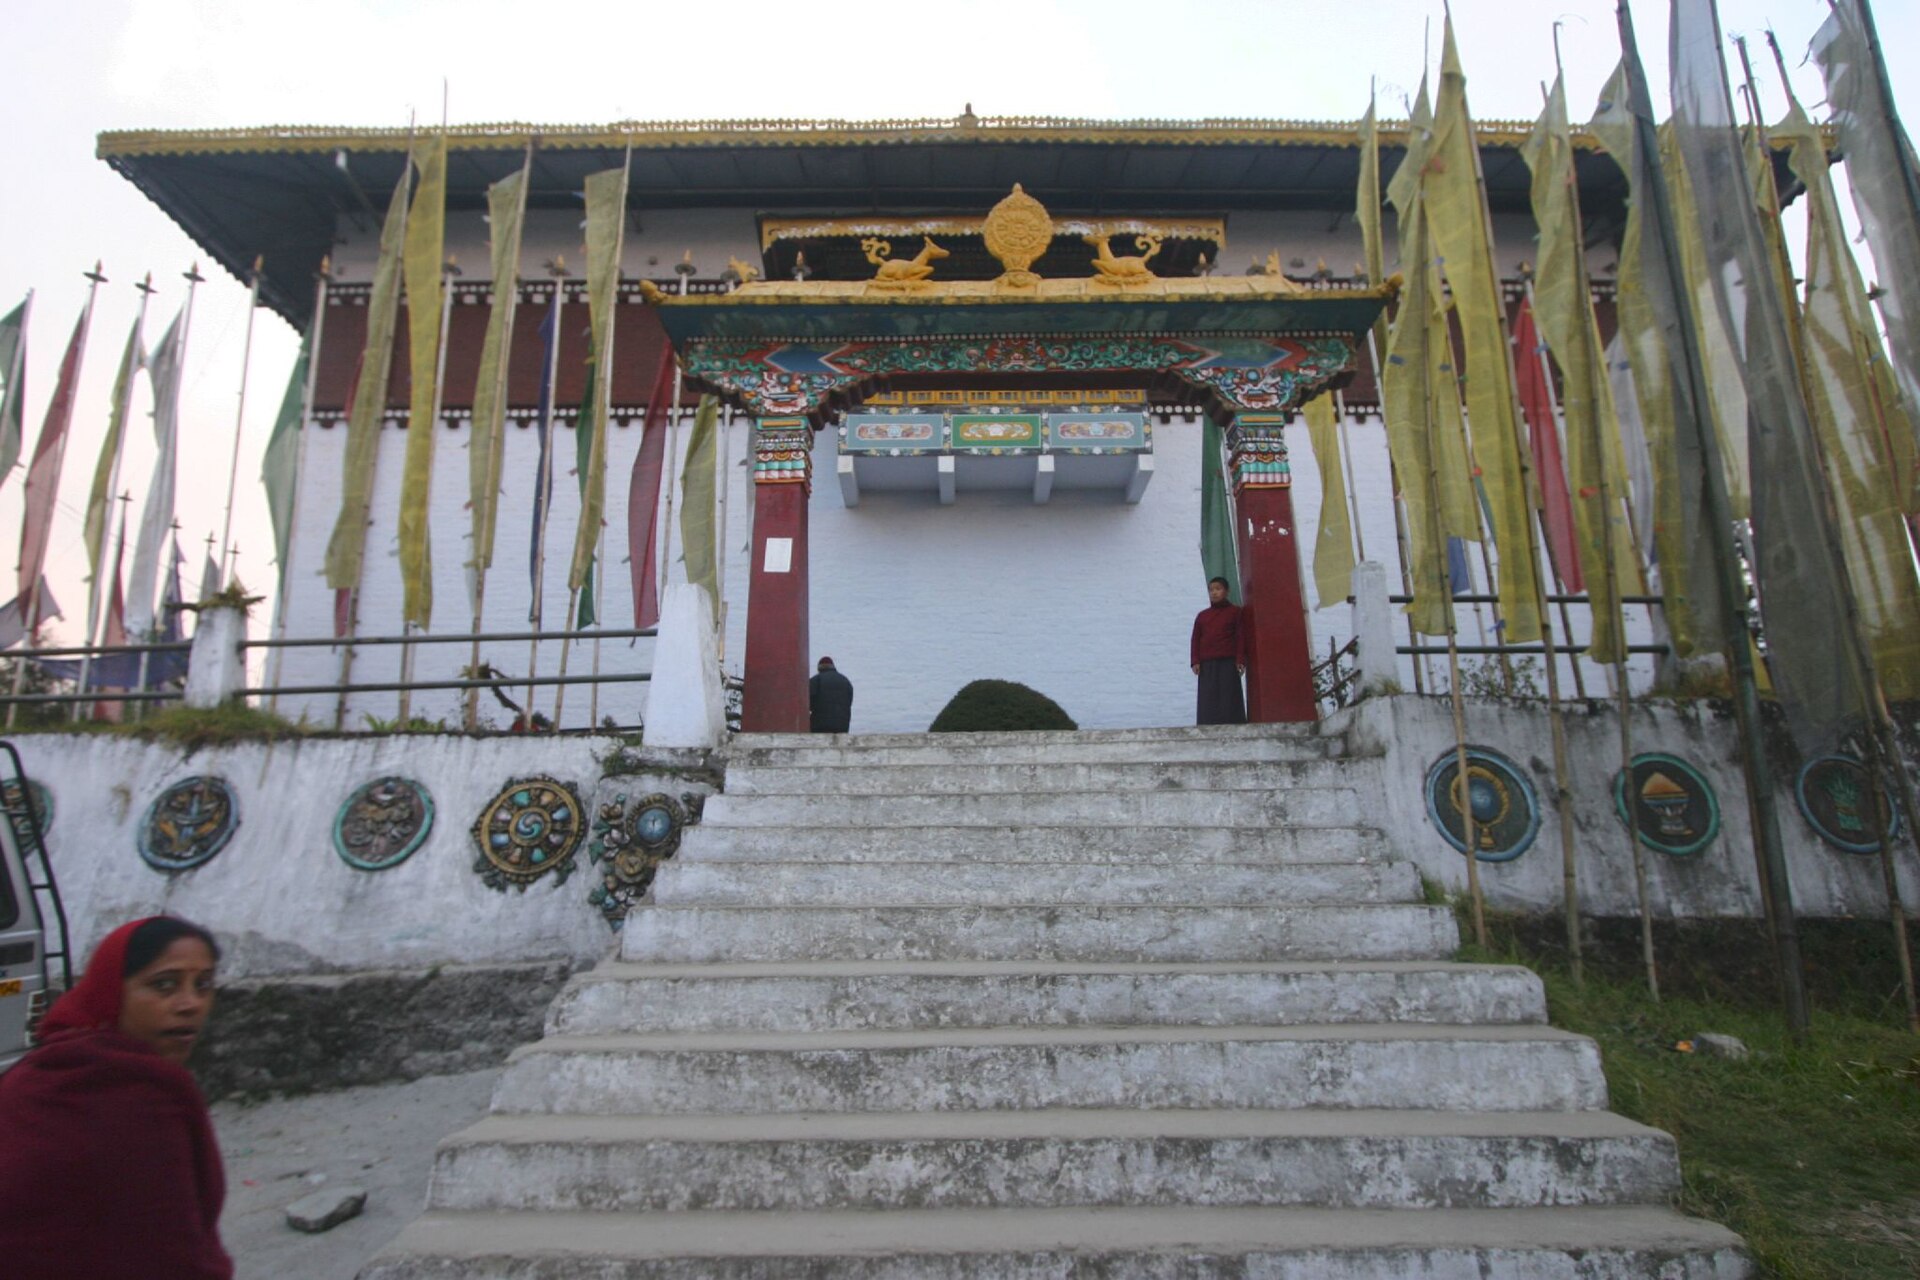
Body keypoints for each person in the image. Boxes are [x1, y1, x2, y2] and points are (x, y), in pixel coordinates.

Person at [0, 916, 231, 1280]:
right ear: (111, 990)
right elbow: (172, 1255)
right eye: (164, 985)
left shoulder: (32, 1074)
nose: (190, 1004)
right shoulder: (145, 1091)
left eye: (203, 985)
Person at [1190, 576, 1247, 725]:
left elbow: (1240, 636)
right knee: (1208, 697)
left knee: (1229, 695)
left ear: (1226, 591)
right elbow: (1195, 639)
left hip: (1228, 661)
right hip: (1207, 663)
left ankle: (1234, 724)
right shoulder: (1202, 616)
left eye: (1218, 589)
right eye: (1211, 590)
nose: (1214, 593)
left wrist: (1240, 659)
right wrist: (1195, 661)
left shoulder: (1235, 612)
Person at [809, 656, 854, 733]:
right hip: (842, 726)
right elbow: (849, 702)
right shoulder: (845, 681)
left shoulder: (815, 680)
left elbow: (807, 703)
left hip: (819, 725)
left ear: (819, 668)